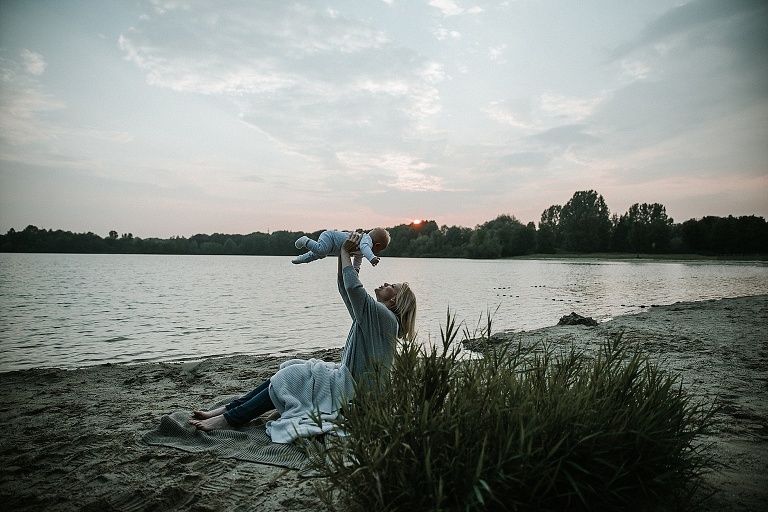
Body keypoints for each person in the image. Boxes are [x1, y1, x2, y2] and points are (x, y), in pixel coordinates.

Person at [190, 232, 416, 442]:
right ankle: (229, 409)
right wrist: (342, 254)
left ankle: (231, 419)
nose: (385, 283)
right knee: (293, 368)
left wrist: (346, 252)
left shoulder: (385, 318)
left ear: (394, 300)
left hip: (354, 395)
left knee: (294, 375)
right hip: (347, 382)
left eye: (392, 286)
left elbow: (354, 289)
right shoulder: (374, 316)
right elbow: (346, 289)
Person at [292, 227, 390, 273]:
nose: (378, 252)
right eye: (379, 250)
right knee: (321, 250)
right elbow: (365, 248)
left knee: (319, 254)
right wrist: (372, 258)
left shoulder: (361, 249)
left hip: (332, 246)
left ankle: (302, 259)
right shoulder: (366, 240)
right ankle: (305, 240)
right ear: (377, 245)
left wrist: (356, 269)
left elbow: (358, 258)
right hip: (330, 237)